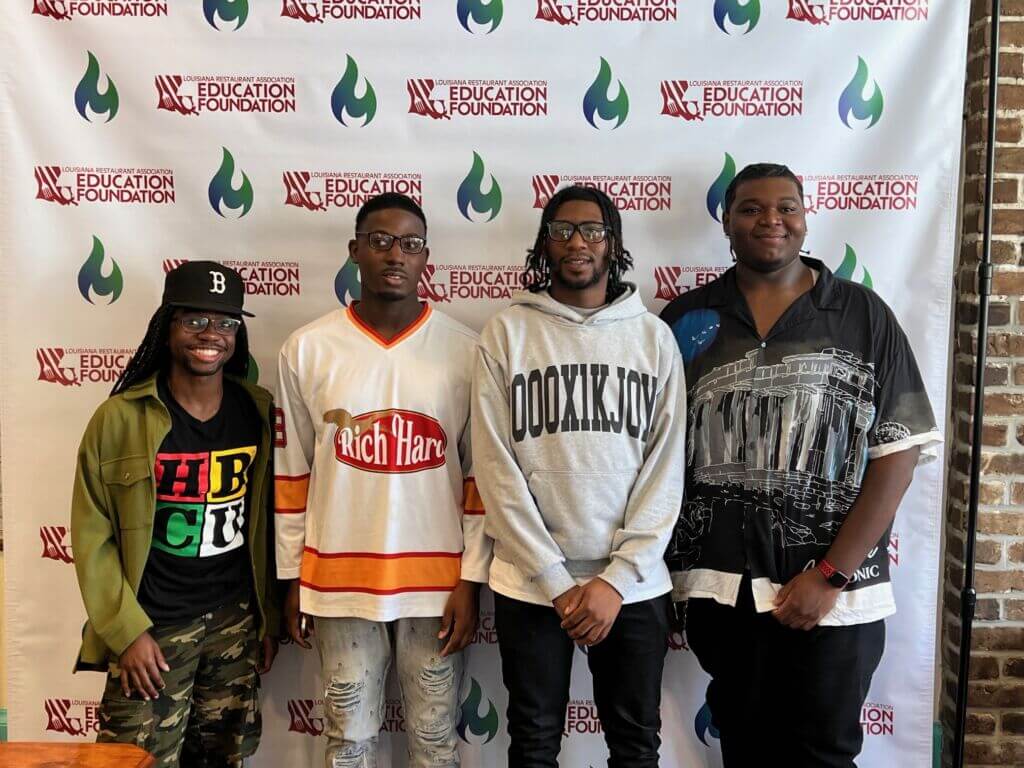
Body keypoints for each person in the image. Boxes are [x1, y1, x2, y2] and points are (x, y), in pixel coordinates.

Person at [660, 163, 942, 768]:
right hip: (721, 591)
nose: (771, 220)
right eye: (752, 208)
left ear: (806, 216)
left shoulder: (862, 315)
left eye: (786, 206)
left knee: (822, 755)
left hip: (833, 596)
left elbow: (898, 455)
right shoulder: (685, 320)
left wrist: (832, 575)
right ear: (727, 222)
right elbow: (654, 454)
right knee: (744, 747)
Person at [472, 185, 686, 768]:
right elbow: (495, 469)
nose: (577, 242)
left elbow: (666, 467)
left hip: (632, 587)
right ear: (545, 242)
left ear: (613, 244)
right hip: (534, 584)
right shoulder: (507, 333)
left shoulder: (652, 338)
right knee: (534, 743)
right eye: (563, 229)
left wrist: (615, 581)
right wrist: (557, 580)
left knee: (635, 746)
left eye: (593, 230)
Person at [275, 193, 490, 768]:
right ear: (355, 251)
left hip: (436, 585)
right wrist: (292, 576)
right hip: (339, 580)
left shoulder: (465, 351)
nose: (396, 254)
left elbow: (478, 482)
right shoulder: (307, 349)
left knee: (435, 742)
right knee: (348, 742)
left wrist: (470, 581)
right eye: (381, 240)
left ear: (427, 259)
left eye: (411, 244)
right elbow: (291, 474)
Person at [71, 261, 281, 767]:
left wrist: (266, 619)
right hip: (152, 626)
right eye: (194, 321)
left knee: (221, 758)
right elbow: (91, 535)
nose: (211, 335)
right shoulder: (119, 418)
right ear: (167, 328)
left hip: (234, 620)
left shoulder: (256, 410)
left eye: (226, 323)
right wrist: (127, 632)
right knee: (133, 761)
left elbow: (268, 525)